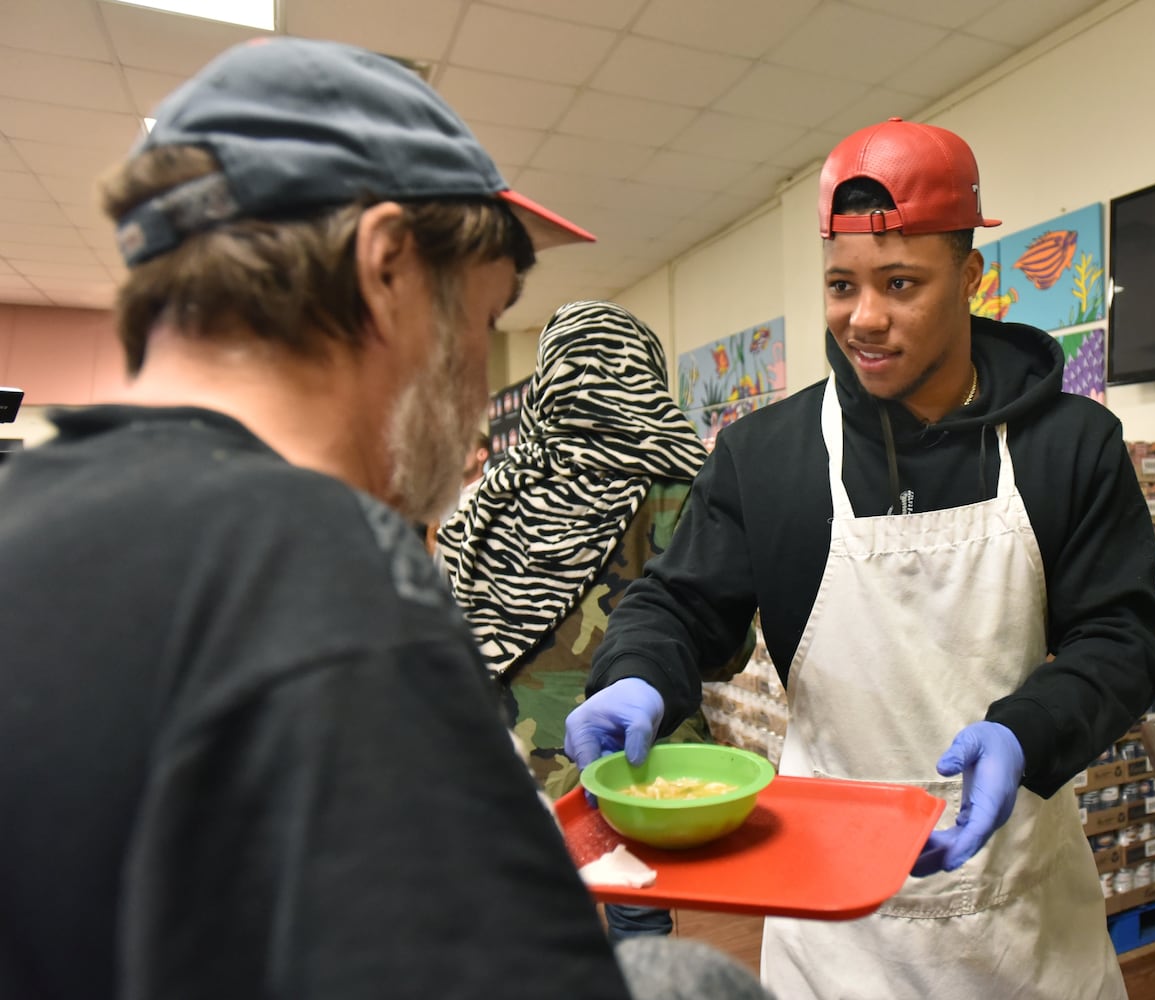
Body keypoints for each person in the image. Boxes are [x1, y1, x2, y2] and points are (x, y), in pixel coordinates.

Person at [0, 36, 759, 1000]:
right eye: (482, 323)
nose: (481, 383)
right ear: (388, 265)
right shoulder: (327, 590)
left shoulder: (23, 520)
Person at [564, 117, 1155, 999]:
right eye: (840, 285)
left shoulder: (1069, 445)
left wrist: (1025, 729)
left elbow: (1122, 638)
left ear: (970, 275)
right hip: (834, 930)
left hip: (1022, 917)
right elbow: (677, 608)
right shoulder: (766, 456)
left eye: (900, 283)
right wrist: (636, 673)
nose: (865, 317)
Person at [437, 299, 753, 942]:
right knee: (636, 914)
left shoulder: (496, 493)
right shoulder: (683, 484)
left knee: (540, 933)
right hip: (638, 764)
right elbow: (724, 648)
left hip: (517, 767)